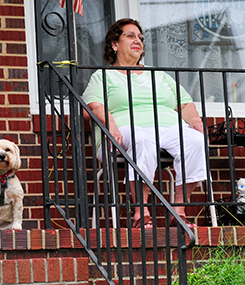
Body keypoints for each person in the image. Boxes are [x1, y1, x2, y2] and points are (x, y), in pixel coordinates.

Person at [83, 18, 206, 228]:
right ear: (114, 44)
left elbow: (184, 103)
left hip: (167, 128)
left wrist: (194, 119)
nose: (137, 40)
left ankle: (178, 208)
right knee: (143, 137)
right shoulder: (103, 76)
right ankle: (141, 211)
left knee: (195, 140)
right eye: (130, 36)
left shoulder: (158, 75)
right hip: (122, 133)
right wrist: (110, 123)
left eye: (140, 37)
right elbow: (93, 107)